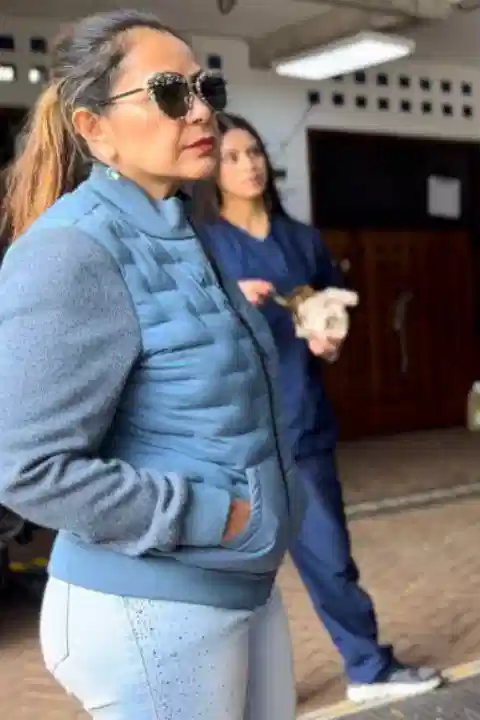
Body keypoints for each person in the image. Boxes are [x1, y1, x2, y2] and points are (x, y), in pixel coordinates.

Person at [0, 10, 301, 718]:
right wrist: (216, 516)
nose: (201, 111)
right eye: (169, 92)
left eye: (206, 88)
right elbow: (26, 467)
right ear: (93, 128)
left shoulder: (176, 231)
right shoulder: (72, 251)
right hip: (150, 605)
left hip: (235, 582)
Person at [196, 112, 443, 703]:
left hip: (300, 422)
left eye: (253, 152)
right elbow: (188, 333)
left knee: (330, 557)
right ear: (210, 171)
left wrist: (329, 341)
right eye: (231, 157)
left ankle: (368, 668)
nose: (248, 165)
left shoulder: (302, 240)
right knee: (227, 576)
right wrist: (234, 304)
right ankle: (221, 696)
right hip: (226, 434)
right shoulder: (198, 244)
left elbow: (332, 315)